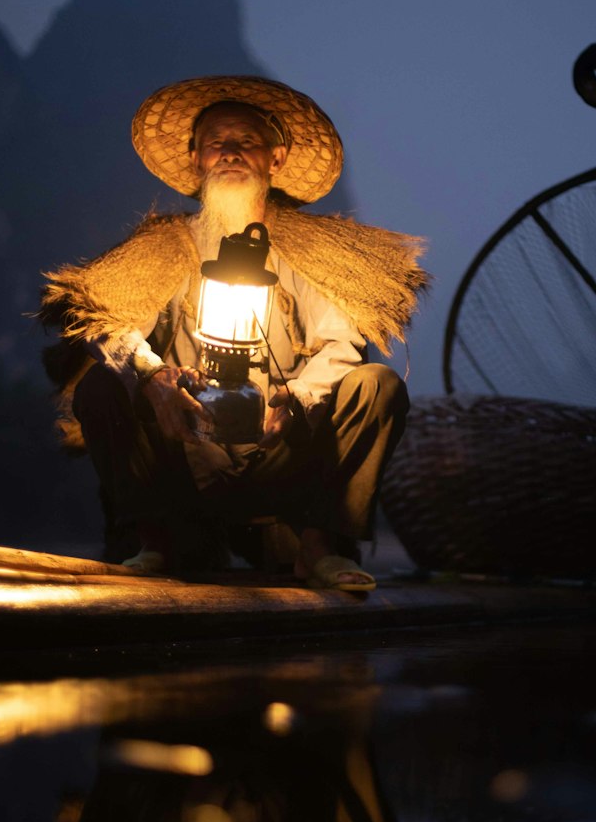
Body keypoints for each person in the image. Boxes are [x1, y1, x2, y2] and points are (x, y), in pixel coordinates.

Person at [40, 76, 428, 591]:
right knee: (100, 384)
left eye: (245, 141)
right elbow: (112, 328)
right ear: (197, 158)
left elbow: (340, 342)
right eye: (216, 143)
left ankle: (317, 548)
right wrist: (156, 379)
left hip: (279, 442)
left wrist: (297, 396)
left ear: (276, 157)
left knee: (377, 385)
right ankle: (153, 542)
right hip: (188, 443)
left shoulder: (314, 253)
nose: (229, 153)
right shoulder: (164, 247)